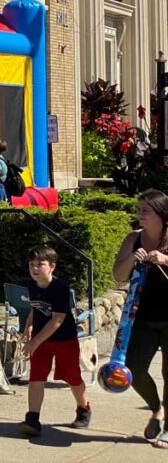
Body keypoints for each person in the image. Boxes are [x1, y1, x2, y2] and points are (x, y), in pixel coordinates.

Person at [113, 189, 168, 447]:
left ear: (160, 213)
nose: (140, 214)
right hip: (143, 318)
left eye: (146, 209)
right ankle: (157, 408)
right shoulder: (133, 239)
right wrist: (132, 260)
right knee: (133, 367)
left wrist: (165, 259)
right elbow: (118, 276)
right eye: (139, 209)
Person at [17, 245, 91, 436]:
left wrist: (35, 341)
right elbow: (36, 307)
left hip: (64, 339)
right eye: (32, 264)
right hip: (41, 339)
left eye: (40, 264)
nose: (35, 268)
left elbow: (57, 320)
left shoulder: (60, 288)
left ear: (52, 267)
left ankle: (83, 408)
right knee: (36, 376)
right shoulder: (32, 284)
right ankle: (32, 419)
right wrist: (28, 327)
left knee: (72, 377)